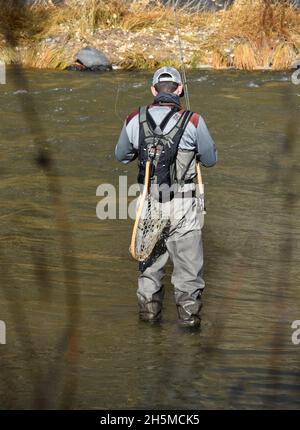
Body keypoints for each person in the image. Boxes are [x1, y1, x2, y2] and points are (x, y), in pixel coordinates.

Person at [115, 66, 217, 328]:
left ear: (153, 90)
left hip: (149, 204)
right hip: (184, 205)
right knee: (189, 274)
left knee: (150, 268)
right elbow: (210, 160)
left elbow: (122, 156)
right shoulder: (194, 121)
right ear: (180, 90)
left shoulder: (133, 119)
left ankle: (149, 328)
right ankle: (190, 328)